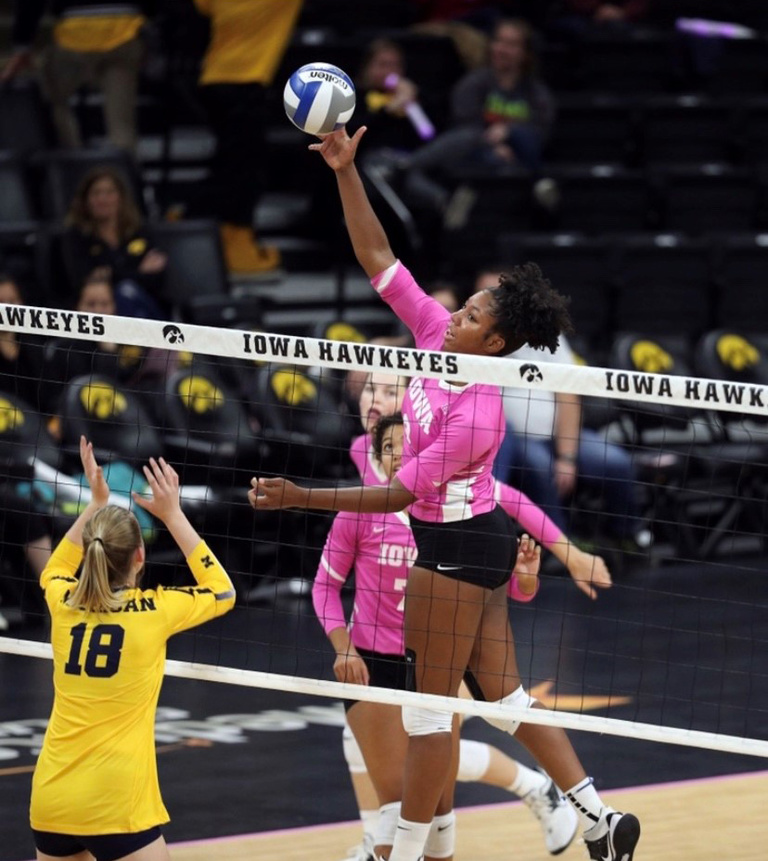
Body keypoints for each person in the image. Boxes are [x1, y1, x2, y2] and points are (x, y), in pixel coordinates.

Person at [249, 125, 641, 861]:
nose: (454, 312)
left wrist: (303, 496)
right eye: (462, 307)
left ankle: (396, 849)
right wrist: (345, 171)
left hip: (456, 551)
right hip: (474, 542)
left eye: (472, 315)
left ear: (494, 344)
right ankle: (598, 817)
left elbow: (396, 496)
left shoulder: (478, 411)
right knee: (506, 701)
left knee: (431, 717)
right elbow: (377, 258)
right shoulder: (434, 335)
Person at [316, 412, 578, 861]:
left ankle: (534, 787)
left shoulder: (459, 516)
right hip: (374, 666)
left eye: (405, 445)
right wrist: (343, 648)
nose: (396, 455)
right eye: (386, 449)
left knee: (438, 817)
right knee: (396, 808)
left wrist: (527, 578)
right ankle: (378, 844)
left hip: (436, 667)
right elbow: (324, 588)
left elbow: (503, 594)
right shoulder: (358, 513)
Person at [29, 436, 236, 860]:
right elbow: (223, 591)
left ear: (91, 552)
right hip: (115, 801)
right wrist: (174, 514)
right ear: (139, 556)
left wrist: (95, 503)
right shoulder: (156, 610)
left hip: (52, 799)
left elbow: (55, 568)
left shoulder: (63, 603)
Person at [474, 265, 652, 550]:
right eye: (486, 293)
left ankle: (626, 536)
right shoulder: (473, 339)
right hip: (513, 439)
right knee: (541, 467)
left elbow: (568, 394)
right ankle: (562, 546)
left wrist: (567, 456)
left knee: (616, 462)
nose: (493, 298)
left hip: (562, 437)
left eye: (500, 292)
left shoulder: (544, 331)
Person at [396, 17, 557, 221]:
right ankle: (534, 188)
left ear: (525, 54)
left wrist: (510, 133)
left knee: (525, 142)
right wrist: (493, 145)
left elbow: (542, 134)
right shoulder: (472, 84)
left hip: (519, 157)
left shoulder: (537, 93)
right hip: (475, 155)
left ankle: (412, 170)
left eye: (511, 44)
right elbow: (464, 129)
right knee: (470, 142)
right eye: (498, 41)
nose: (502, 49)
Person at [193, 0, 303, 275]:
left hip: (213, 81)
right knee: (245, 173)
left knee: (229, 166)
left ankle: (198, 223)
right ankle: (231, 246)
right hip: (245, 85)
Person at [2, 0, 151, 153]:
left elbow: (31, 4)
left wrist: (22, 47)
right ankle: (122, 167)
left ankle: (70, 154)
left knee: (52, 100)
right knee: (121, 120)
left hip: (75, 29)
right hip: (125, 26)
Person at [62, 166, 168, 318]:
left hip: (143, 303)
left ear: (121, 197)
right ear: (85, 200)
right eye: (96, 193)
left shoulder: (140, 231)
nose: (103, 199)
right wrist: (138, 272)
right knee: (123, 293)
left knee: (127, 293)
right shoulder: (76, 237)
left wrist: (111, 274)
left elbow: (157, 278)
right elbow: (82, 280)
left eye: (109, 192)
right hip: (96, 309)